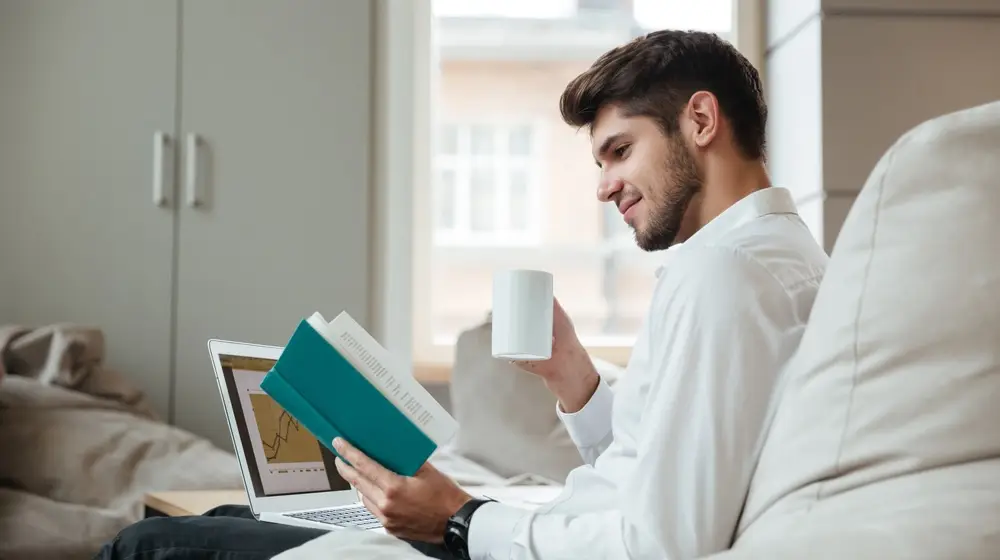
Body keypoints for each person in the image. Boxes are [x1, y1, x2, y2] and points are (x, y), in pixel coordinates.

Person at [96, 29, 828, 560]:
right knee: (224, 518)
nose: (602, 185)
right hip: (533, 535)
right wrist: (573, 377)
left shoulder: (726, 278)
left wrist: (458, 519)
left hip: (509, 547)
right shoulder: (764, 263)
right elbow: (651, 468)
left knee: (150, 546)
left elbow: (660, 542)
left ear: (700, 121)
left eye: (619, 150)